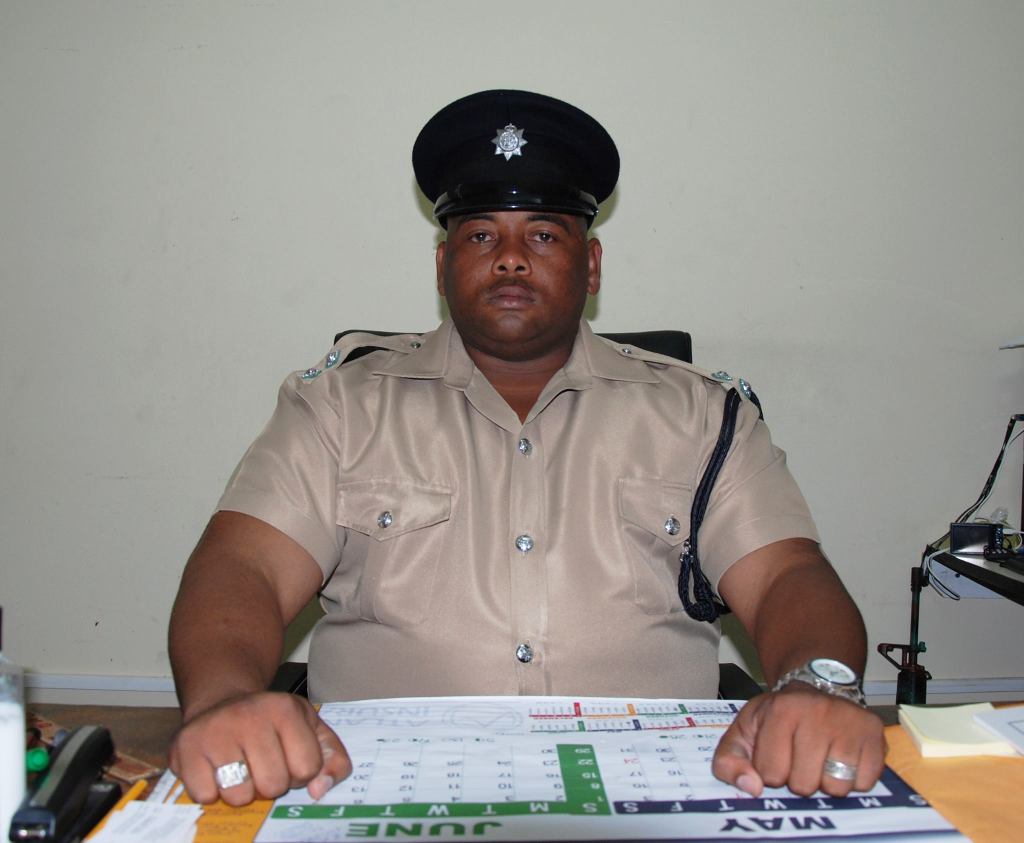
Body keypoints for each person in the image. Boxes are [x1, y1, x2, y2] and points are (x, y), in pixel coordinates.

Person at [168, 89, 884, 808]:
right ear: (443, 262)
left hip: (655, 790)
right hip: (377, 789)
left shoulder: (700, 416)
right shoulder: (339, 409)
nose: (510, 259)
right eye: (481, 236)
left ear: (592, 264)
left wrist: (814, 685)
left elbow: (788, 576)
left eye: (543, 235)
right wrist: (226, 697)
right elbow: (243, 566)